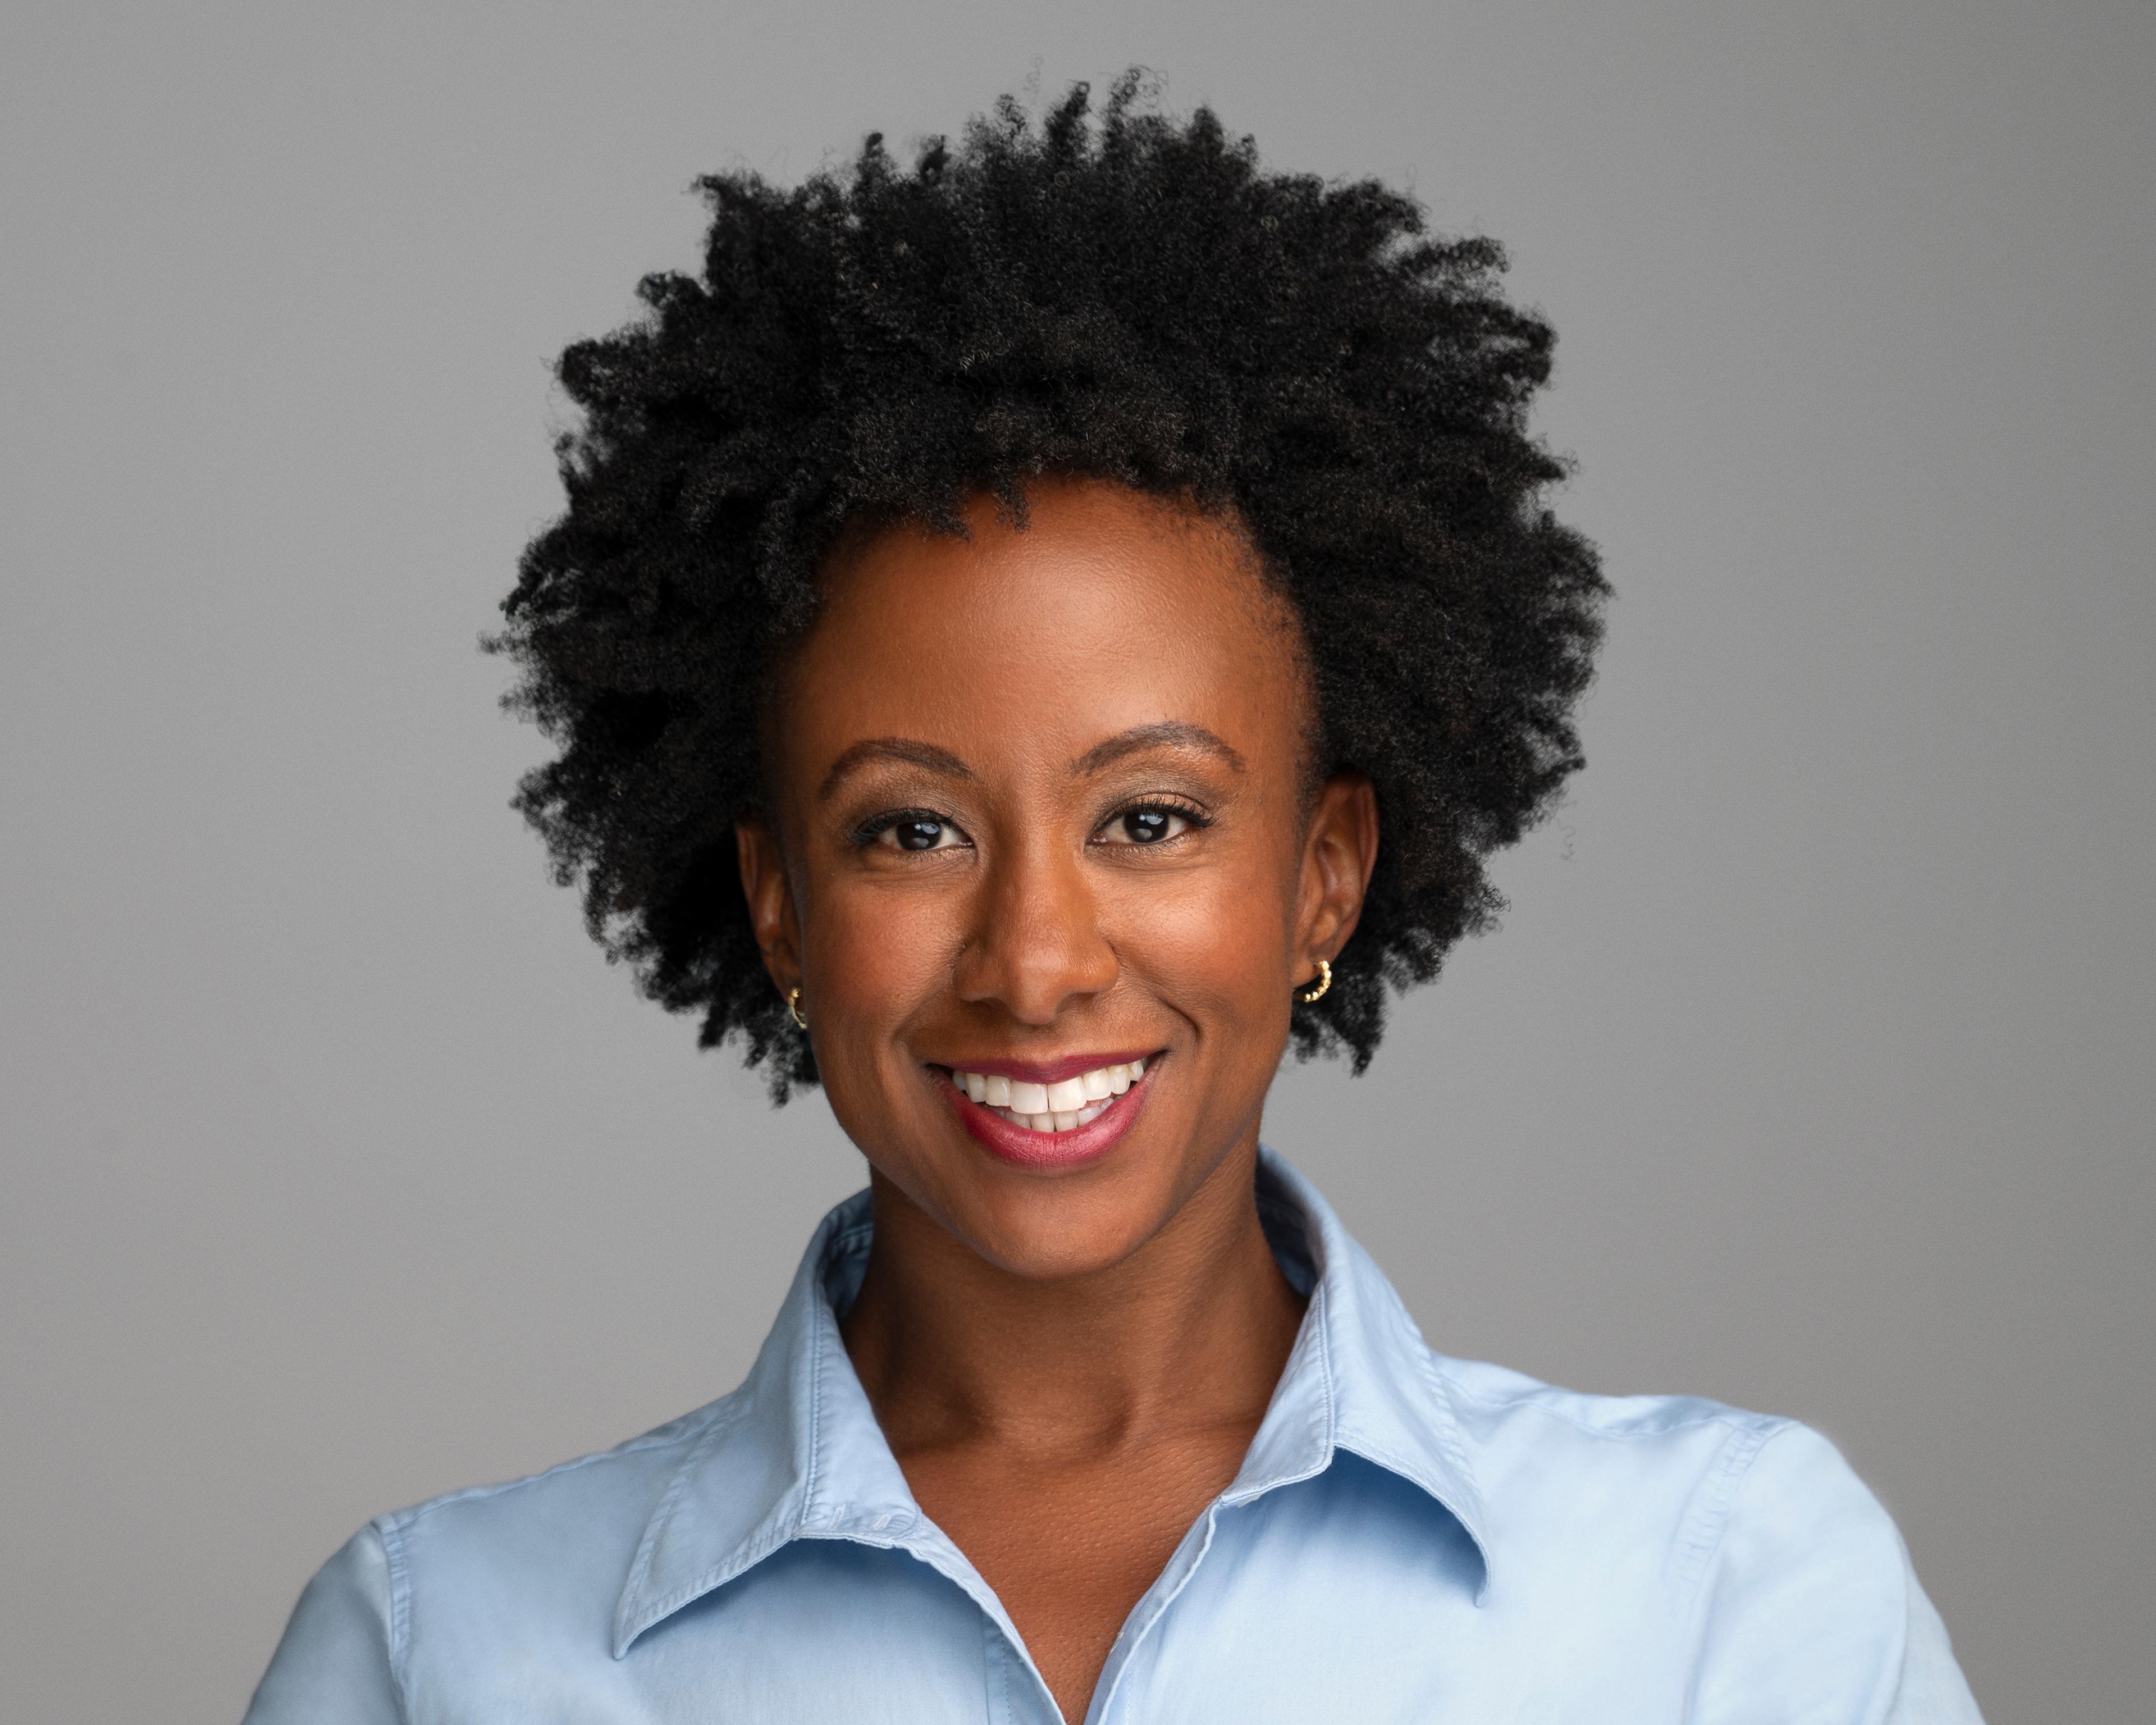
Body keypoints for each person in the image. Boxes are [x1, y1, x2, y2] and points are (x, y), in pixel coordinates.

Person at [244, 77, 1982, 1723]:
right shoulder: (440, 1651)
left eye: (1150, 818)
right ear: (779, 909)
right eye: (912, 831)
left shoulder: (1721, 1597)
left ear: (1324, 879)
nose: (1036, 961)